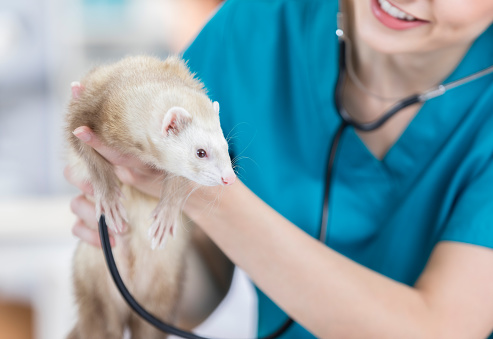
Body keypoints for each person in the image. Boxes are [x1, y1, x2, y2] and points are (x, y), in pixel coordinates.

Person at [64, 0, 493, 338]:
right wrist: (137, 256)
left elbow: (439, 329)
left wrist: (211, 198)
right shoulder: (256, 25)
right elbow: (201, 291)